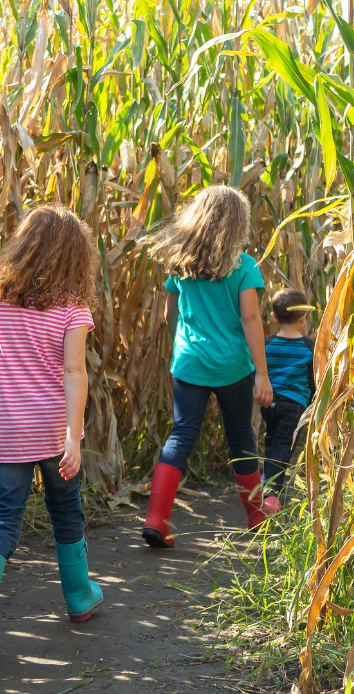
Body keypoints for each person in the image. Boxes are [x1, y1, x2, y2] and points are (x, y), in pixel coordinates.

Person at [0, 205, 103, 656]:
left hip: (7, 429)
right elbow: (74, 372)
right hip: (52, 430)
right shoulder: (71, 307)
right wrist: (71, 436)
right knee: (67, 511)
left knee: (1, 520)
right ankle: (79, 598)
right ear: (75, 254)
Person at [141, 185, 273, 548]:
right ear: (237, 223)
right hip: (232, 366)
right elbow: (250, 319)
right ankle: (257, 518)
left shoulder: (179, 262)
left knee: (181, 435)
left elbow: (170, 313)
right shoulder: (244, 267)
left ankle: (156, 519)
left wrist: (185, 343)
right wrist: (261, 373)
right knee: (241, 438)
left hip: (189, 363)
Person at [259, 288, 315, 515]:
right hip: (294, 404)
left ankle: (268, 489)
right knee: (283, 446)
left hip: (269, 403)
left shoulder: (267, 343)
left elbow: (258, 370)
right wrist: (312, 403)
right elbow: (313, 380)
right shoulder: (308, 346)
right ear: (303, 317)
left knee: (271, 441)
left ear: (274, 318)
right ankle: (271, 495)